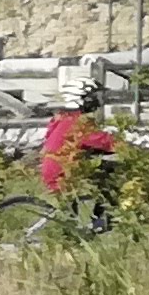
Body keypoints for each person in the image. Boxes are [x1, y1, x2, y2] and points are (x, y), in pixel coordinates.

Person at [38, 81, 122, 222]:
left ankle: (96, 220)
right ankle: (102, 220)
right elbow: (101, 140)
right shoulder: (78, 122)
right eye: (93, 97)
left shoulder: (63, 118)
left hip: (54, 168)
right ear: (82, 100)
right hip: (63, 173)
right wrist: (126, 146)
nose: (98, 101)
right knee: (110, 174)